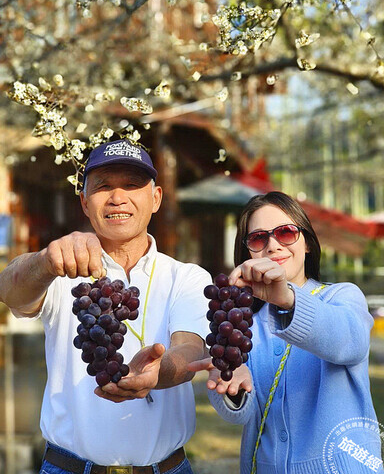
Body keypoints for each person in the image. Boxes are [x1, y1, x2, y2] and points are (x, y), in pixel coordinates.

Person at [0, 138, 212, 474]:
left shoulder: (186, 277)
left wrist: (159, 373)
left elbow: (190, 348)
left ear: (155, 199)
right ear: (84, 202)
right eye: (104, 186)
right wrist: (45, 260)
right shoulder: (62, 269)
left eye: (131, 185)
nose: (117, 197)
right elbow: (9, 291)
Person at [189, 191, 382, 474]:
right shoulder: (244, 323)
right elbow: (241, 416)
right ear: (247, 253)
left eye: (286, 232)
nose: (273, 245)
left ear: (307, 244)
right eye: (258, 238)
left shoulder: (342, 296)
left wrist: (288, 298)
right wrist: (231, 384)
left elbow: (349, 341)